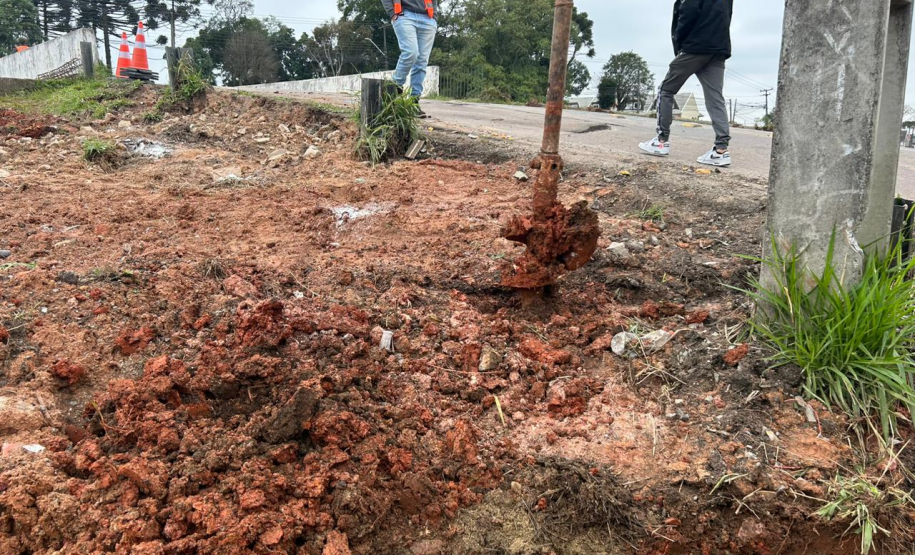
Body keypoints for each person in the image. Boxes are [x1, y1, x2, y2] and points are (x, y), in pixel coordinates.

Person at [640, 0, 734, 167]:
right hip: (718, 48)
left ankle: (661, 141)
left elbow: (687, 11)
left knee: (666, 90)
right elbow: (727, 15)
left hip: (695, 46)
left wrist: (680, 44)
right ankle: (721, 150)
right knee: (715, 98)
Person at [382, 0, 438, 116]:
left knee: (422, 62)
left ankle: (413, 103)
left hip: (427, 17)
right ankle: (394, 90)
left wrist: (434, 16)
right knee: (411, 53)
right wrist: (392, 13)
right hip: (404, 15)